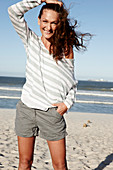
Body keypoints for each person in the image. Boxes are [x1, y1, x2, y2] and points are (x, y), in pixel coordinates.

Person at [8, 0, 91, 169]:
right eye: (45, 21)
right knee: (25, 162)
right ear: (38, 20)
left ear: (59, 24)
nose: (48, 27)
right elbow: (13, 12)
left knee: (60, 165)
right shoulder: (30, 40)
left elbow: (72, 82)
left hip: (52, 113)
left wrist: (67, 104)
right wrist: (42, 0)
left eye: (54, 22)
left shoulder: (65, 48)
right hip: (26, 110)